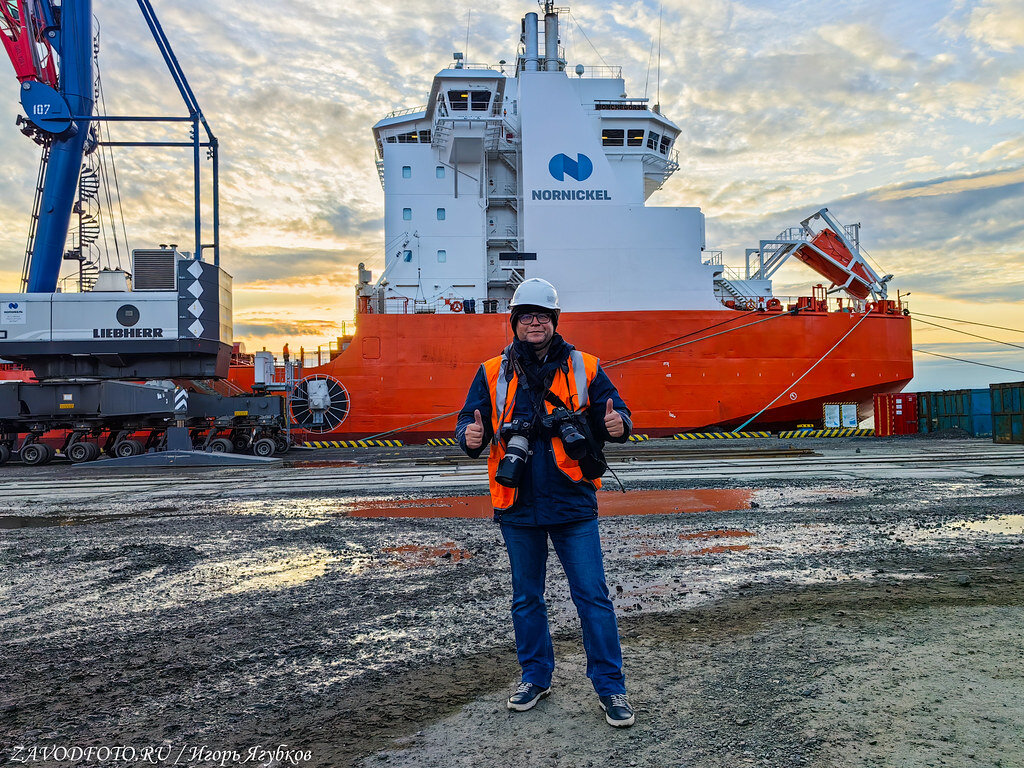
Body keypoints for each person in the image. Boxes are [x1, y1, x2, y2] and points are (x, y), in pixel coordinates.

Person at [455, 278, 636, 728]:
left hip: (572, 500)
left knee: (593, 597)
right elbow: (468, 420)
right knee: (526, 598)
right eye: (526, 315)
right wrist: (469, 437)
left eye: (542, 315)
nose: (534, 322)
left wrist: (618, 425)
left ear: (554, 321)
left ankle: (610, 688)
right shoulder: (491, 372)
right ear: (514, 322)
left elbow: (615, 411)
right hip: (517, 502)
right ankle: (535, 677)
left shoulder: (584, 365)